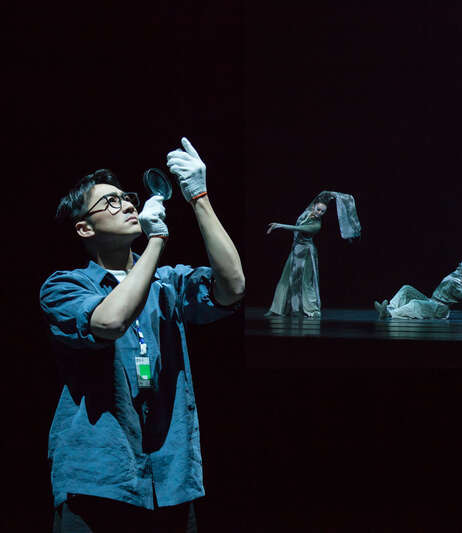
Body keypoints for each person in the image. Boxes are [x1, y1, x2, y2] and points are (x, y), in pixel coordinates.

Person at [39, 137, 245, 532]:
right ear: (84, 228)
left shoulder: (168, 282)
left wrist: (199, 197)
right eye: (111, 202)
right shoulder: (64, 286)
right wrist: (157, 241)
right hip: (97, 479)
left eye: (127, 198)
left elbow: (233, 287)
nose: (129, 205)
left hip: (169, 480)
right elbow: (109, 322)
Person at [265, 190, 361, 318]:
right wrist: (333, 195)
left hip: (306, 253)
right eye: (318, 210)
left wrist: (279, 225)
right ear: (314, 206)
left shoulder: (317, 225)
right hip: (295, 251)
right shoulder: (307, 212)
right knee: (284, 279)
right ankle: (276, 309)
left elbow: (298, 228)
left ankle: (312, 309)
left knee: (305, 282)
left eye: (322, 212)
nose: (319, 213)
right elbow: (323, 194)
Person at [374, 251, 462, 319]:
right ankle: (388, 309)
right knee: (406, 289)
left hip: (440, 309)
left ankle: (389, 314)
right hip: (431, 301)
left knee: (416, 304)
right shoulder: (461, 270)